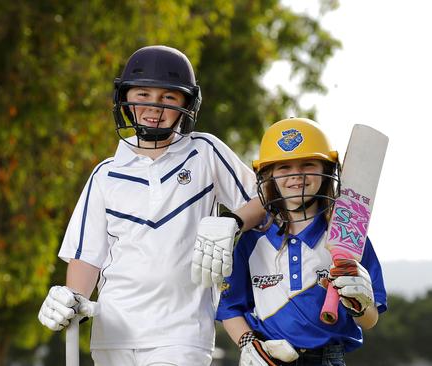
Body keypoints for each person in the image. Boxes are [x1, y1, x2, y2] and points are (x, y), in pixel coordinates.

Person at [37, 45, 265, 366]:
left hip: (181, 332)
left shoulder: (205, 152)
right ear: (125, 101)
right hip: (113, 331)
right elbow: (88, 258)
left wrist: (232, 223)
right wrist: (71, 300)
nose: (154, 107)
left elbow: (264, 201)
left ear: (187, 104)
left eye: (168, 98)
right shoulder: (106, 173)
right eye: (142, 95)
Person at [216, 118, 388, 366]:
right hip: (269, 357)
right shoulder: (252, 239)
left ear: (327, 171)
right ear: (268, 176)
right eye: (284, 167)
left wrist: (361, 304)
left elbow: (370, 319)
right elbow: (230, 308)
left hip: (328, 358)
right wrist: (248, 344)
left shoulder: (349, 236)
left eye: (308, 164)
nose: (297, 175)